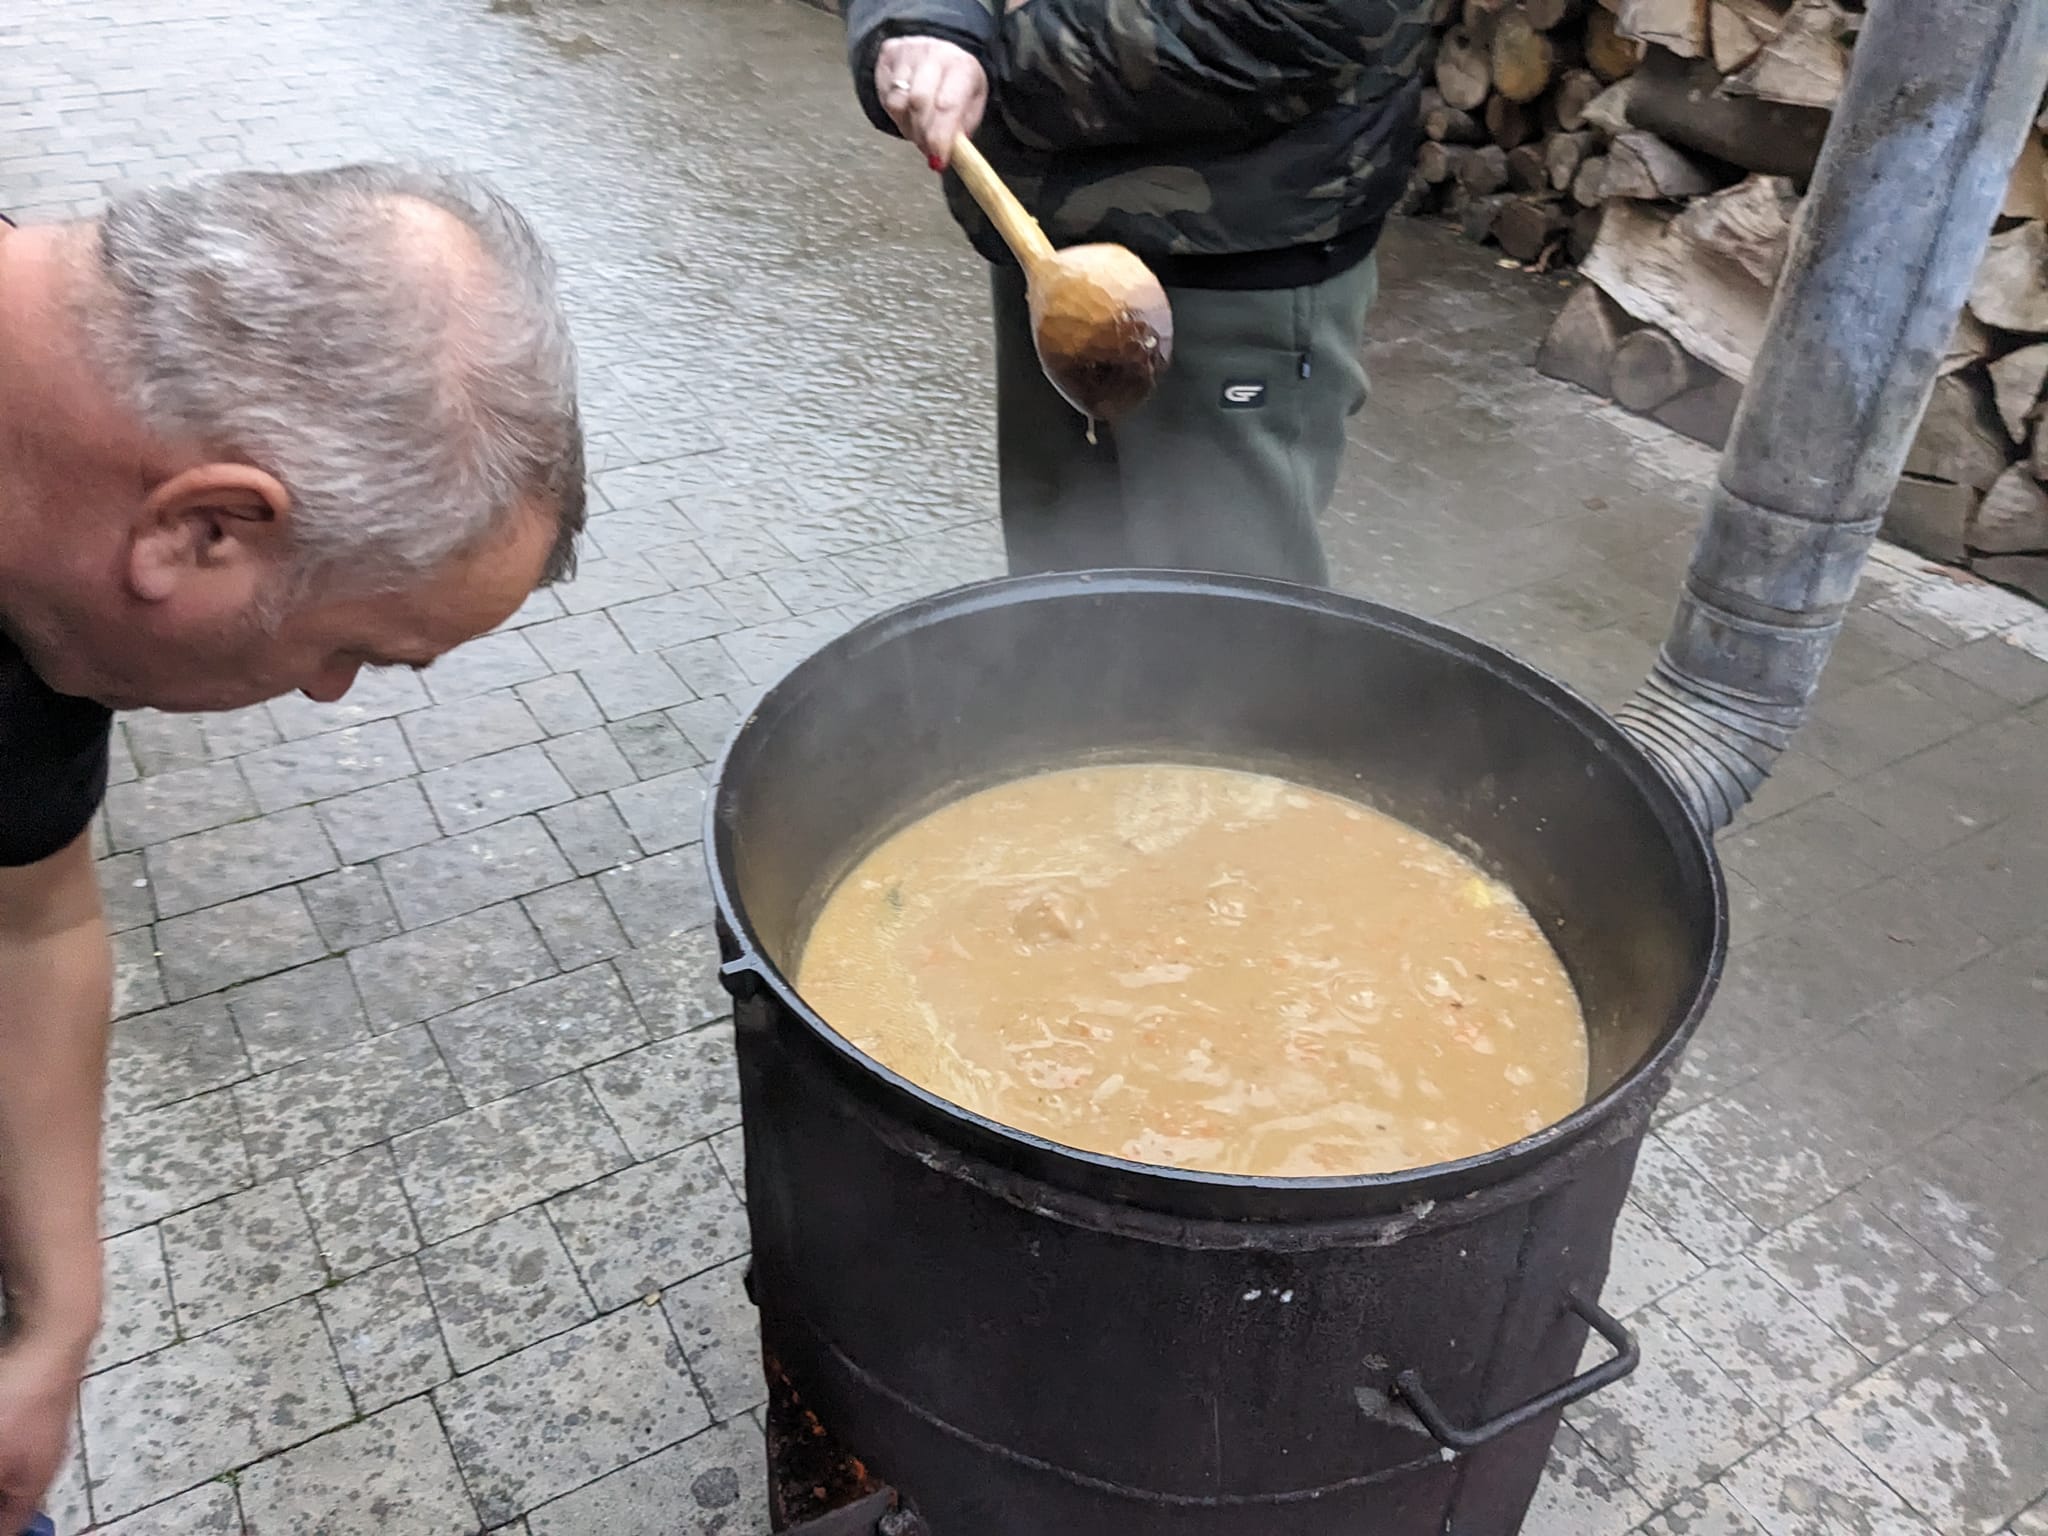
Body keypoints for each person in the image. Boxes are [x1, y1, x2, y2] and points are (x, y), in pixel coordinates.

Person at [0, 164, 583, 1524]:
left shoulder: (50, 586)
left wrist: (58, 1322)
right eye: (351, 652)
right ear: (206, 528)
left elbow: (31, 915)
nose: (325, 695)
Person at [844, 0, 1434, 586]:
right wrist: (918, 26)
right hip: (1039, 246)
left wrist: (987, 58)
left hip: (1237, 260)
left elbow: (1316, 17)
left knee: (1225, 625)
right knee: (1054, 597)